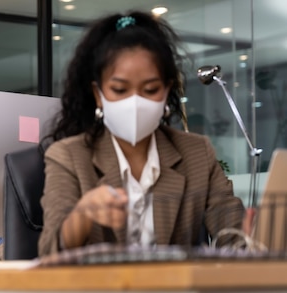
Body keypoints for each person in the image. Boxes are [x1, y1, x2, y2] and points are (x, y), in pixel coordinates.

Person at [38, 11, 246, 256]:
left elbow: (235, 235)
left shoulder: (196, 153)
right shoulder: (69, 156)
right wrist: (82, 215)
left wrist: (250, 244)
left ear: (167, 90)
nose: (135, 101)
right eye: (119, 89)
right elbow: (50, 251)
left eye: (150, 89)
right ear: (98, 94)